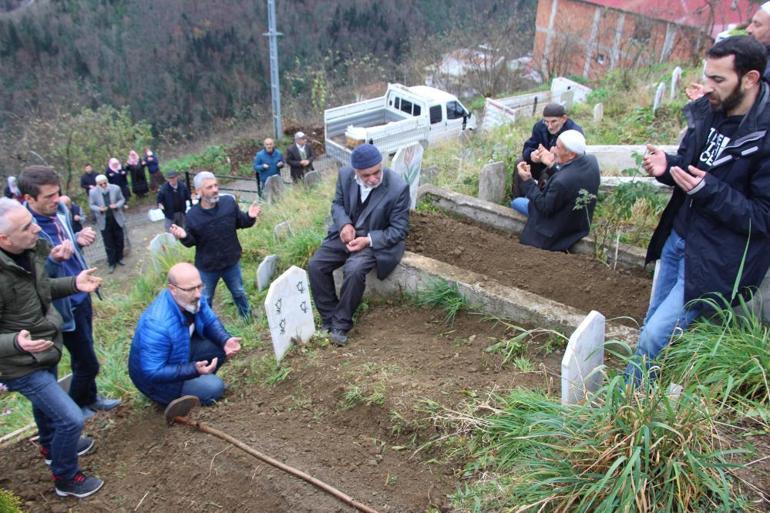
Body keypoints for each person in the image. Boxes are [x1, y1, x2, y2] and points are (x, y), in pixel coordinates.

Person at [627, 36, 770, 382]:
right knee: (652, 325)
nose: (707, 87)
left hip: (713, 258)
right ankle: (644, 396)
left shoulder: (764, 136)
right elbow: (696, 168)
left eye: (718, 80)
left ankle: (621, 409)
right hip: (679, 237)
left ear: (749, 79)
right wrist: (668, 165)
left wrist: (709, 190)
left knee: (653, 337)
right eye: (707, 76)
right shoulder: (711, 111)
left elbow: (763, 217)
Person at [0, 197, 105, 497]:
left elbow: (40, 290)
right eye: (26, 226)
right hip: (18, 362)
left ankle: (49, 444)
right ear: (3, 238)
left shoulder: (26, 251)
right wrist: (16, 343)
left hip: (44, 345)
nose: (36, 228)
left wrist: (74, 283)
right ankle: (66, 478)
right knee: (71, 419)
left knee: (45, 407)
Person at [18, 166, 121, 419]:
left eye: (57, 193)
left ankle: (90, 399)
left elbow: (66, 243)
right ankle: (74, 409)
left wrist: (78, 238)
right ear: (29, 199)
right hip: (60, 306)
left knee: (84, 353)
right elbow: (35, 280)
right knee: (87, 362)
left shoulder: (60, 211)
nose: (57, 200)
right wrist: (52, 261)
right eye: (49, 197)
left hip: (81, 293)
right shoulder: (26, 231)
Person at [308, 143, 410, 346]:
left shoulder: (398, 188)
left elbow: (399, 230)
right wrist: (344, 223)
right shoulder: (345, 175)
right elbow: (337, 204)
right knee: (316, 265)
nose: (373, 179)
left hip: (375, 240)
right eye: (366, 176)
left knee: (354, 269)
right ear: (356, 171)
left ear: (381, 165)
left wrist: (369, 240)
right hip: (347, 234)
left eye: (376, 172)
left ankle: (341, 324)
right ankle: (329, 318)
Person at [129, 263, 242, 406]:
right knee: (215, 388)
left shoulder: (192, 298)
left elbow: (209, 321)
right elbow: (153, 372)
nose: (198, 294)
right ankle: (173, 398)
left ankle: (198, 383)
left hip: (179, 355)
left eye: (200, 286)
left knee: (218, 347)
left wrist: (225, 340)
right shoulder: (157, 324)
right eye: (190, 289)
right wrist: (192, 369)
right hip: (157, 384)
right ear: (173, 289)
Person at [169, 171, 261, 319]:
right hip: (207, 267)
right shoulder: (193, 215)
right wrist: (184, 236)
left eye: (216, 185)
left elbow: (241, 222)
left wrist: (250, 217)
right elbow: (191, 241)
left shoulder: (228, 203)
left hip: (231, 261)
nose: (215, 189)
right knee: (205, 300)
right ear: (199, 191)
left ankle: (247, 317)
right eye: (209, 187)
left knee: (238, 292)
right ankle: (206, 327)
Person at [513, 130, 600, 251]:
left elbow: (544, 207)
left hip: (558, 227)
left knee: (517, 202)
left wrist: (528, 181)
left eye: (557, 147)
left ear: (571, 154)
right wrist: (552, 165)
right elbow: (570, 177)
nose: (552, 150)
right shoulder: (591, 161)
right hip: (578, 221)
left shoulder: (561, 182)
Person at [514, 103, 583, 198]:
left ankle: (538, 202)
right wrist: (532, 155)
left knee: (546, 174)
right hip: (541, 163)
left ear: (564, 118)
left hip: (561, 169)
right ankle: (518, 197)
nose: (549, 126)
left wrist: (552, 158)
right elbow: (528, 146)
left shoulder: (573, 133)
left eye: (553, 121)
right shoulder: (539, 126)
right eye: (546, 122)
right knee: (520, 162)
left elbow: (575, 160)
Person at [89, 174, 126, 273]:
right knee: (108, 243)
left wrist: (116, 205)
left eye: (105, 183)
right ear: (97, 184)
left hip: (116, 218)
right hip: (104, 220)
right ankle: (111, 262)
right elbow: (91, 205)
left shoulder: (116, 188)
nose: (104, 185)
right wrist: (99, 209)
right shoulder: (92, 192)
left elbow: (122, 199)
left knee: (119, 239)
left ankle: (120, 258)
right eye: (101, 184)